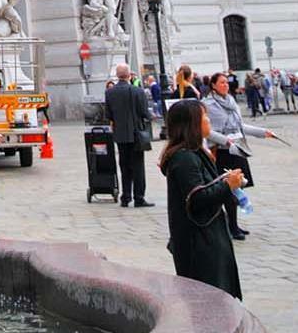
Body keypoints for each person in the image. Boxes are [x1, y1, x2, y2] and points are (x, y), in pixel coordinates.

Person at [158, 99, 243, 298]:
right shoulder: (184, 158)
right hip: (199, 240)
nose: (208, 120)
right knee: (209, 295)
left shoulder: (195, 152)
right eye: (204, 116)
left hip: (208, 234)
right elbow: (196, 198)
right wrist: (227, 185)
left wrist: (225, 181)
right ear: (192, 124)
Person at [201, 72, 255, 241]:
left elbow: (240, 126)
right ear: (213, 85)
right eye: (222, 83)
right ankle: (231, 226)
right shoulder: (208, 104)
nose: (225, 85)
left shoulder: (231, 101)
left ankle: (233, 223)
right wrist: (226, 140)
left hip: (237, 148)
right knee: (228, 189)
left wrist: (262, 133)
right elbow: (207, 131)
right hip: (223, 151)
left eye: (226, 82)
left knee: (239, 186)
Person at [103, 61, 155, 210]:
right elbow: (144, 112)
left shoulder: (109, 92)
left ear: (117, 75)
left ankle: (125, 197)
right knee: (138, 166)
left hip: (120, 134)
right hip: (136, 134)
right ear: (129, 75)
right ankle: (139, 197)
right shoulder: (137, 91)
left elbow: (108, 114)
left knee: (124, 166)